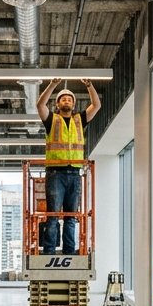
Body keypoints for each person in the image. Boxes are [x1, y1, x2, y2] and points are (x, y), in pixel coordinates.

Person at [36, 77, 100, 254]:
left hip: (74, 173)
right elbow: (40, 105)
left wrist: (89, 85)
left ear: (73, 105)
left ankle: (69, 252)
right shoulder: (52, 120)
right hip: (55, 173)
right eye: (63, 98)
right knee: (53, 216)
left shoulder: (79, 120)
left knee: (71, 217)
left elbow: (96, 105)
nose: (67, 100)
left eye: (70, 99)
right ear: (57, 104)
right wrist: (53, 85)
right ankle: (49, 252)